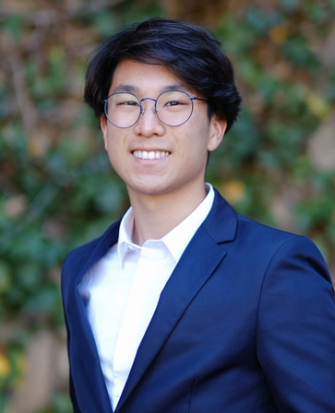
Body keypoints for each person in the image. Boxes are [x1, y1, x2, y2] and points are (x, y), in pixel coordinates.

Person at [61, 18, 335, 413]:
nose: (147, 126)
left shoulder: (274, 269)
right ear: (105, 128)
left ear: (216, 128)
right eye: (127, 104)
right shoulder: (82, 270)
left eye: (174, 103)